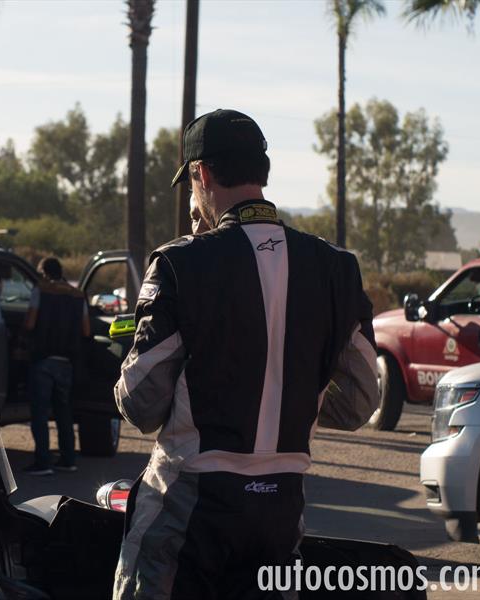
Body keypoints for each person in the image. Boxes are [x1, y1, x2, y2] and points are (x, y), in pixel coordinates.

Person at [112, 109, 378, 599]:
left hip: (188, 504)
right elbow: (362, 401)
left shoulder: (178, 263)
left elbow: (139, 405)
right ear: (263, 173)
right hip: (280, 514)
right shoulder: (339, 268)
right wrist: (295, 395)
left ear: (202, 174)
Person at [23, 256, 90, 475]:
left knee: (40, 413)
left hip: (43, 359)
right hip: (67, 362)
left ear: (43, 272)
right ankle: (68, 459)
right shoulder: (78, 295)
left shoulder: (40, 290)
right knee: (64, 412)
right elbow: (87, 331)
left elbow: (30, 323)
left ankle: (43, 462)